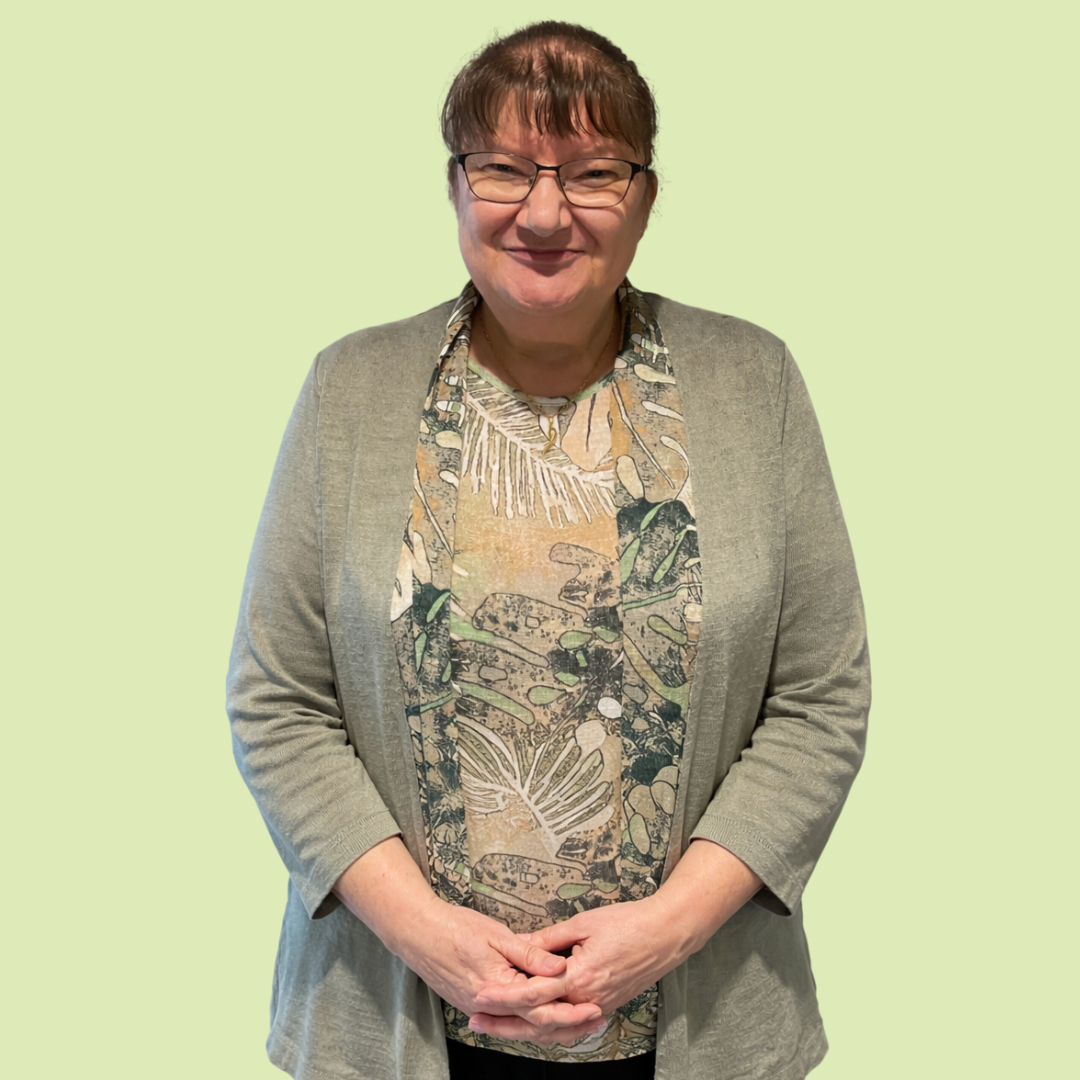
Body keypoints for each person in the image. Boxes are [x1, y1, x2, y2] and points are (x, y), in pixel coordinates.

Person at [228, 20, 869, 1080]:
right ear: (454, 188)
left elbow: (820, 697)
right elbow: (278, 700)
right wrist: (429, 937)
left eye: (591, 173)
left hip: (698, 1021)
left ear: (648, 198)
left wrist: (667, 927)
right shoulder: (350, 390)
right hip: (396, 1018)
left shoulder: (754, 383)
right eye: (506, 169)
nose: (543, 211)